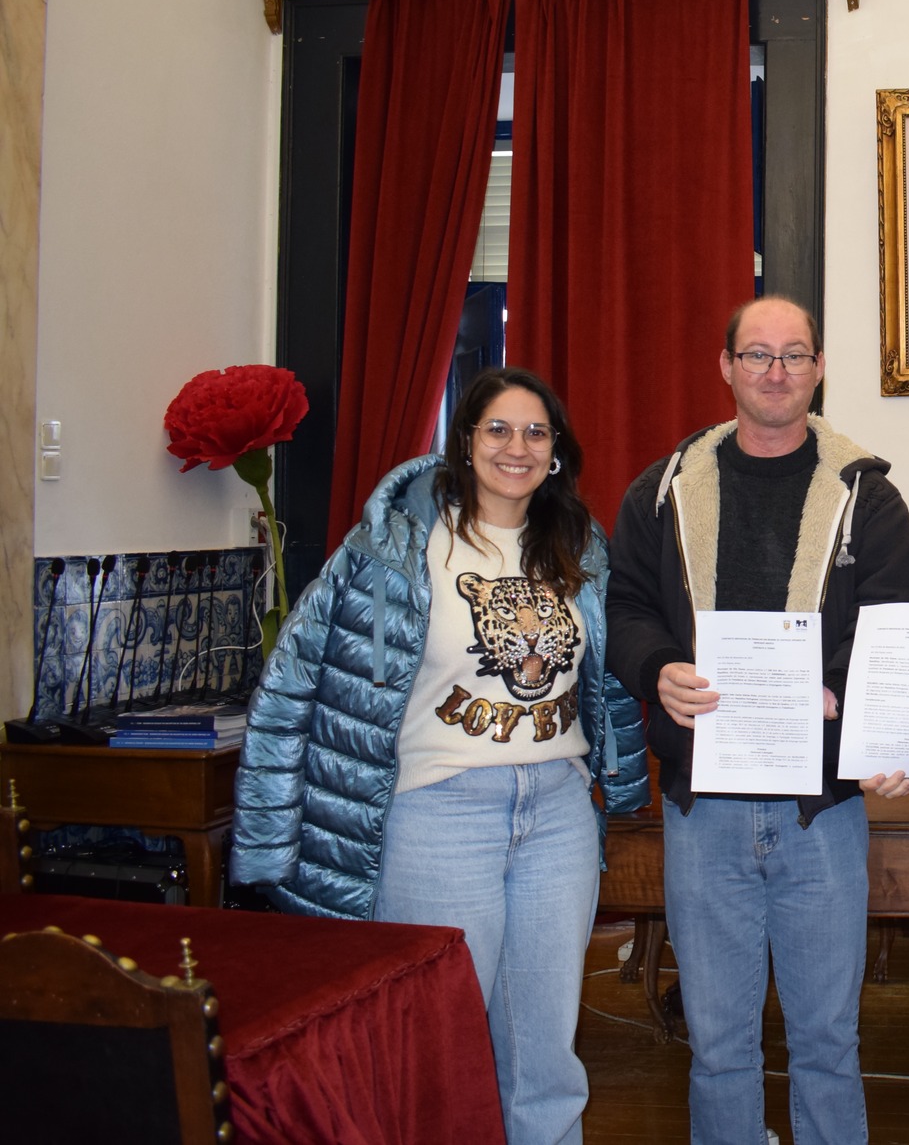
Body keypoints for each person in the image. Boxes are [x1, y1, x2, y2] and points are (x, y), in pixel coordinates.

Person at [232, 366, 650, 1145]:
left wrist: (625, 779)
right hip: (438, 811)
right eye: (498, 428)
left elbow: (607, 678)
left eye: (536, 432)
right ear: (464, 440)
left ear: (556, 451)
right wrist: (265, 830)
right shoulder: (394, 544)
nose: (517, 446)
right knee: (440, 1046)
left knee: (547, 1054)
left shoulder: (580, 544)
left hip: (558, 807)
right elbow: (292, 677)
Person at [605, 296, 909, 1145]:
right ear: (726, 366)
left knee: (827, 1042)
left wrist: (840, 692)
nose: (775, 372)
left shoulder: (869, 496)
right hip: (701, 808)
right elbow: (625, 606)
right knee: (718, 1046)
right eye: (757, 354)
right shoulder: (663, 490)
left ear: (818, 369)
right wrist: (655, 667)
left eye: (794, 354)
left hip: (822, 812)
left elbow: (889, 623)